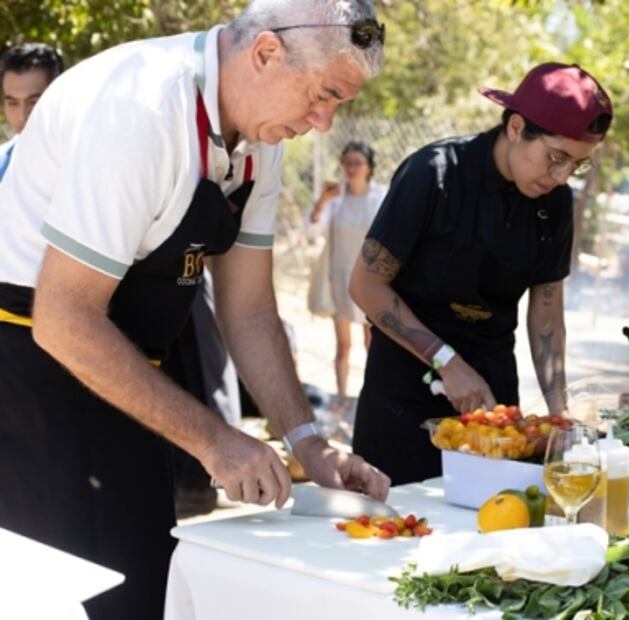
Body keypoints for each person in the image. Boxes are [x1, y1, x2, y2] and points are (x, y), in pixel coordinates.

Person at [0, 1, 388, 619]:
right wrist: (216, 440)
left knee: (149, 579)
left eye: (338, 104)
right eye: (323, 95)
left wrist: (309, 443)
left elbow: (251, 309)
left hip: (131, 371)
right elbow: (64, 318)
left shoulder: (261, 136)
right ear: (265, 53)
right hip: (35, 370)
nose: (323, 122)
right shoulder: (142, 108)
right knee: (71, 597)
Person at [349, 63, 613, 484]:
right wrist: (447, 362)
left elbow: (546, 315)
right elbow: (366, 284)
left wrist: (559, 413)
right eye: (556, 157)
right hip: (401, 395)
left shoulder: (556, 205)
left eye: (577, 165)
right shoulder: (433, 174)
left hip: (494, 402)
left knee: (490, 535)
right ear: (515, 127)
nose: (562, 177)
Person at [307, 141, 385, 408]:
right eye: (347, 163)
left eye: (357, 163)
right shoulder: (335, 199)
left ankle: (372, 398)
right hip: (339, 277)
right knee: (343, 344)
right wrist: (322, 201)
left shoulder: (381, 197)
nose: (352, 169)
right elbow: (312, 232)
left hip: (370, 279)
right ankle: (341, 397)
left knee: (372, 342)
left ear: (369, 167)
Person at [0, 43, 63, 182]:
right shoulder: (2, 164)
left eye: (33, 102)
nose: (22, 116)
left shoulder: (83, 163)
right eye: (12, 103)